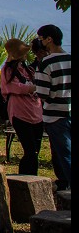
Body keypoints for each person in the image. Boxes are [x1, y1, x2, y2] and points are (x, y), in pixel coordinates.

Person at [33, 24, 70, 192]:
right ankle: (63, 184)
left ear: (49, 39)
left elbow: (42, 93)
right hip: (68, 110)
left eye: (41, 38)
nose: (40, 42)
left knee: (63, 154)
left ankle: (67, 186)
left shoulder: (46, 63)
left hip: (54, 115)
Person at [0, 38, 43, 176]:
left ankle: (32, 177)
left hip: (36, 113)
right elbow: (13, 87)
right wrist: (34, 88)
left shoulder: (28, 69)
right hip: (20, 114)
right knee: (30, 150)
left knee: (35, 150)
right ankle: (25, 179)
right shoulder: (7, 70)